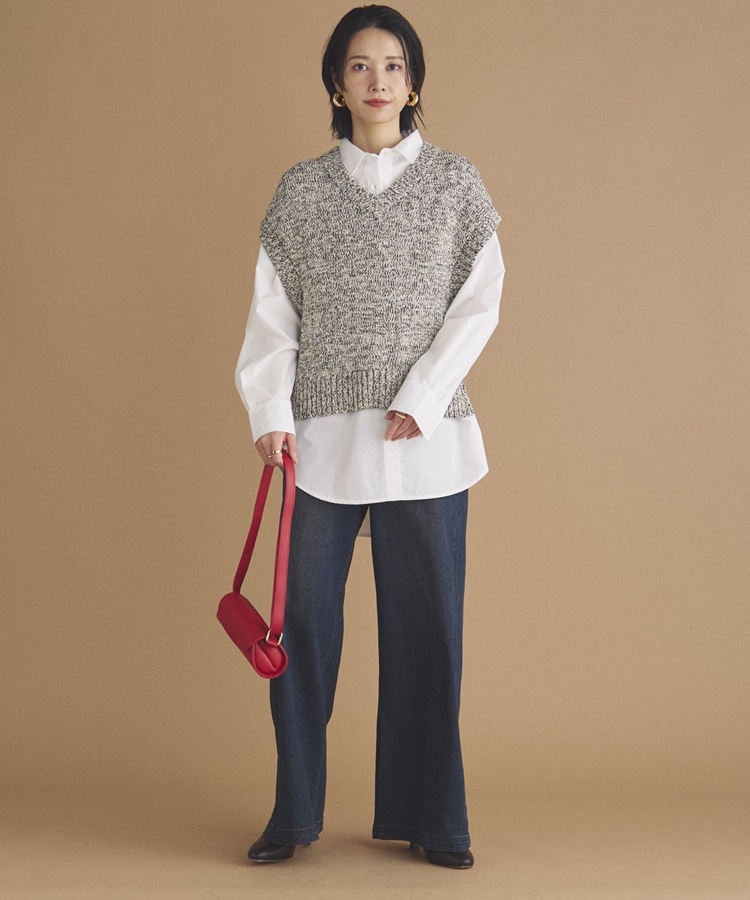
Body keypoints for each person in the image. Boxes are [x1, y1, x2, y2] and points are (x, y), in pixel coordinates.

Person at [235, 4, 504, 869]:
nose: (377, 80)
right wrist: (271, 415)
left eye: (393, 65)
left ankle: (436, 821)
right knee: (300, 633)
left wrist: (424, 395)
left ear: (413, 82)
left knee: (429, 636)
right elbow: (273, 318)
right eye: (359, 65)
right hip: (321, 445)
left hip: (426, 445)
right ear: (336, 83)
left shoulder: (456, 185)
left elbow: (479, 305)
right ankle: (293, 814)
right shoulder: (301, 194)